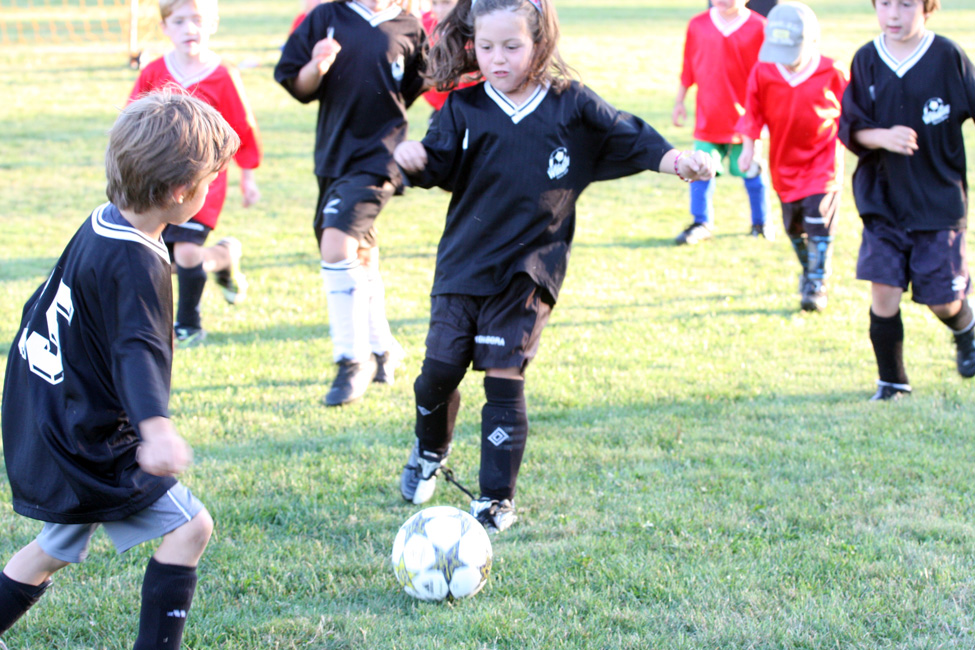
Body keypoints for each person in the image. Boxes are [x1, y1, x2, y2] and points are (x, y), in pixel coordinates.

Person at [393, 0, 715, 533]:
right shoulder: (464, 107)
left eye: (512, 47)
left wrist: (678, 161)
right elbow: (438, 161)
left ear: (539, 43)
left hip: (530, 268)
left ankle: (496, 499)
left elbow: (629, 137)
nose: (498, 59)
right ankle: (430, 449)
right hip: (463, 266)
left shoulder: (569, 105)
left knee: (503, 375)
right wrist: (415, 162)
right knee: (438, 375)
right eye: (486, 46)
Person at [0, 91, 237, 649]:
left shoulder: (104, 221)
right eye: (209, 181)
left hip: (50, 410)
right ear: (180, 191)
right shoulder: (138, 262)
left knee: (55, 546)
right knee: (190, 527)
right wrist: (156, 429)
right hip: (89, 435)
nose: (209, 192)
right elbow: (136, 350)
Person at [275, 0, 427, 406]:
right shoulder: (327, 17)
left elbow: (411, 90)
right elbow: (298, 83)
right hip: (332, 157)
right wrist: (317, 68)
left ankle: (351, 360)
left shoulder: (410, 27)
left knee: (336, 243)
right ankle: (383, 348)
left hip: (380, 158)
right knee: (359, 255)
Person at [839, 0, 975, 400]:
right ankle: (892, 381)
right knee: (883, 288)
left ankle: (966, 329)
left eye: (905, 4)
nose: (893, 14)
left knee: (943, 301)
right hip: (882, 200)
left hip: (939, 202)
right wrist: (881, 136)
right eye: (884, 3)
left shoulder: (947, 56)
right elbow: (851, 125)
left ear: (928, 7)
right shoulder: (866, 58)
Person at [131, 0, 262, 347]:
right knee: (166, 257)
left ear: (214, 24)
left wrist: (248, 176)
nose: (190, 28)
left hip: (204, 181)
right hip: (158, 178)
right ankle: (223, 258)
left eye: (198, 20)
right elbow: (132, 117)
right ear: (165, 28)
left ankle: (188, 324)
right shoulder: (154, 72)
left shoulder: (222, 74)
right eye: (180, 21)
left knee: (186, 253)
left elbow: (243, 129)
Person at [737, 2, 848, 311]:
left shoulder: (833, 71)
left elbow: (854, 116)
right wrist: (749, 148)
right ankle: (809, 270)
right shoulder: (763, 70)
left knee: (818, 220)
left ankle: (817, 283)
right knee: (794, 227)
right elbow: (752, 113)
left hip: (824, 161)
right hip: (784, 163)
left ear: (812, 41)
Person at [673, 0, 771, 245]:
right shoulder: (698, 25)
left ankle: (760, 223)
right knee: (700, 171)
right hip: (709, 118)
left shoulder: (760, 27)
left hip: (746, 123)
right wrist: (680, 101)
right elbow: (689, 67)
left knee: (753, 171)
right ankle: (701, 222)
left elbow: (768, 75)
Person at [420, 0, 478, 125]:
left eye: (446, 3)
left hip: (473, 109)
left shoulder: (475, 29)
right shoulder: (426, 25)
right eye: (434, 3)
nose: (439, 10)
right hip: (441, 108)